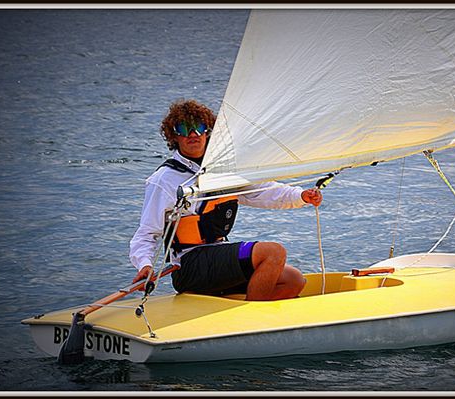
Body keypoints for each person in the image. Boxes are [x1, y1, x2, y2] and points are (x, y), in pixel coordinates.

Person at [129, 99, 322, 301]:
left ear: (207, 131)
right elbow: (146, 233)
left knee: (293, 280)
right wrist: (145, 265)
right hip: (189, 266)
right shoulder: (163, 180)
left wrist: (301, 196)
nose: (193, 134)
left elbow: (263, 191)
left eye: (199, 127)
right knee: (273, 252)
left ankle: (237, 307)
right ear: (174, 136)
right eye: (185, 128)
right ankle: (251, 316)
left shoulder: (221, 170)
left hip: (216, 258)